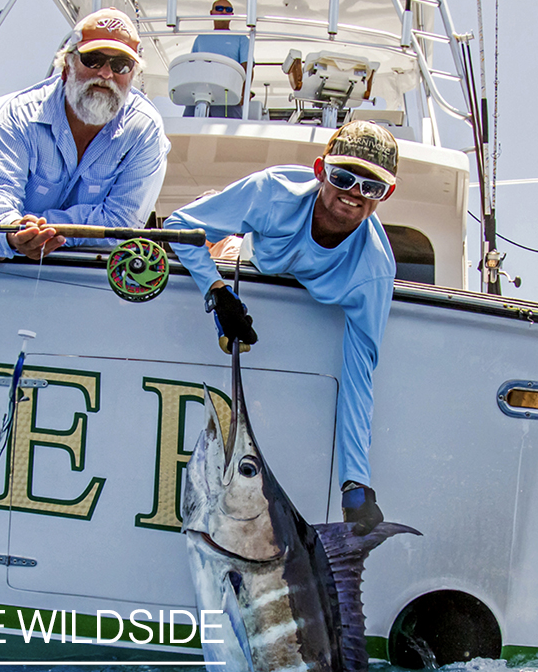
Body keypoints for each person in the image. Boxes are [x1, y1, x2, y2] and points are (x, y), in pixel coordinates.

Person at [166, 120, 399, 535]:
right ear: (319, 169)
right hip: (243, 254)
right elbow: (179, 226)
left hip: (279, 268)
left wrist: (355, 482)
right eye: (344, 177)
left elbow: (359, 375)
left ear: (387, 195)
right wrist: (217, 292)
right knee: (211, 217)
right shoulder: (273, 191)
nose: (353, 195)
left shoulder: (374, 271)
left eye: (371, 187)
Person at [0, 8, 170, 267]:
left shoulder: (146, 129)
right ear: (67, 65)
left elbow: (121, 221)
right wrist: (11, 230)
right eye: (93, 59)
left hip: (74, 278)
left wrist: (32, 232)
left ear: (132, 76)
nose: (106, 73)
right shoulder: (17, 114)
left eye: (120, 65)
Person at [183, 0, 249, 119]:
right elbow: (192, 66)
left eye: (228, 10)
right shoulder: (200, 38)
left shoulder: (241, 38)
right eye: (219, 8)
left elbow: (247, 68)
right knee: (187, 130)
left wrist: (242, 95)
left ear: (231, 15)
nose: (223, 11)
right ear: (212, 12)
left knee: (230, 135)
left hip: (228, 96)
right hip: (200, 95)